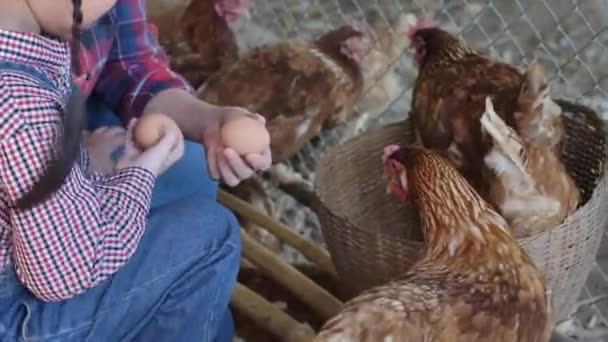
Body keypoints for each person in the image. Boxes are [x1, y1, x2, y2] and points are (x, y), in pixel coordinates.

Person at [0, 0, 272, 341]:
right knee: (212, 233)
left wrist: (209, 121)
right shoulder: (22, 101)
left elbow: (133, 65)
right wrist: (135, 177)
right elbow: (61, 274)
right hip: (15, 317)